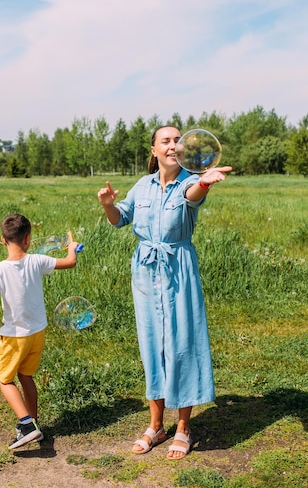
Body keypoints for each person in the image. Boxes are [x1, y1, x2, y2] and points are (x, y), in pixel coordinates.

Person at [97, 126, 232, 461]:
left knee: (182, 343)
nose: (174, 146)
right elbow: (120, 219)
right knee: (152, 344)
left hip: (178, 268)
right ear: (154, 149)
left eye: (178, 141)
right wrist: (108, 205)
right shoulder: (142, 185)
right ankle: (156, 425)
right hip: (145, 270)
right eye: (166, 141)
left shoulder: (190, 179)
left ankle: (183, 426)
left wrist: (205, 182)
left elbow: (192, 195)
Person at [0, 213, 80, 450]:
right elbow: (70, 262)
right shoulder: (37, 260)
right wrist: (72, 248)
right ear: (28, 239)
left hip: (15, 335)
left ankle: (26, 425)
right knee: (26, 376)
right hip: (37, 332)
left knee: (4, 380)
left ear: (3, 240)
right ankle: (34, 424)